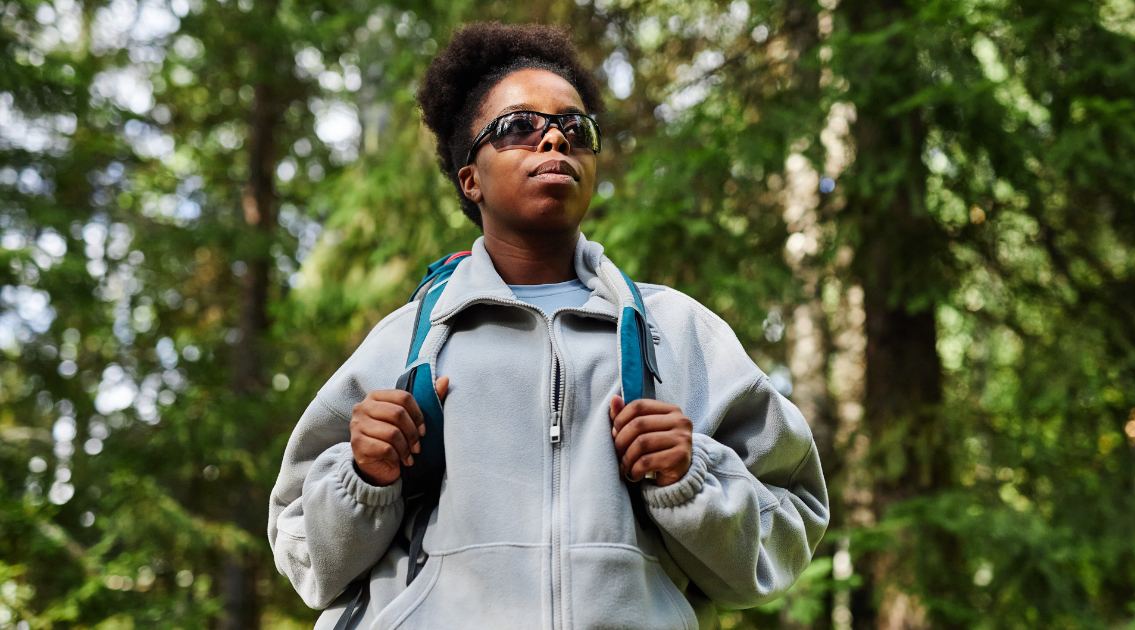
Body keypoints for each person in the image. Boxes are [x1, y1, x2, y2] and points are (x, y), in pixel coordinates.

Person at [267, 21, 829, 630]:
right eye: (518, 128)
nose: (554, 139)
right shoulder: (408, 343)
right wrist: (363, 478)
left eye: (574, 127)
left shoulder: (678, 335)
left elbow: (787, 525)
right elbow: (306, 560)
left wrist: (688, 480)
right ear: (470, 178)